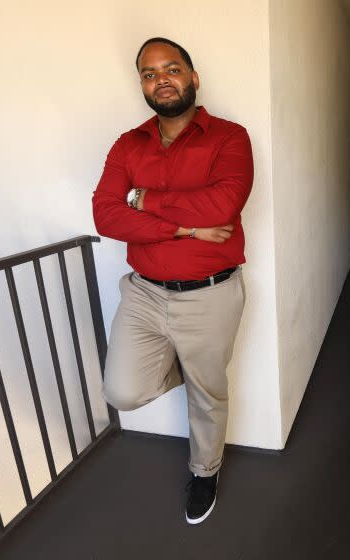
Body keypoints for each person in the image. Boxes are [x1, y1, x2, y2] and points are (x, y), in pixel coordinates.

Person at [92, 36, 253, 525]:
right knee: (121, 390)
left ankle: (205, 471)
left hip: (210, 293)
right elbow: (106, 215)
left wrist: (143, 200)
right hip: (143, 291)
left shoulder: (230, 137)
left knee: (208, 397)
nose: (161, 79)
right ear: (142, 84)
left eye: (171, 68)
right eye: (148, 72)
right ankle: (192, 366)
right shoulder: (127, 143)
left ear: (192, 76)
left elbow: (222, 205)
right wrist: (186, 226)